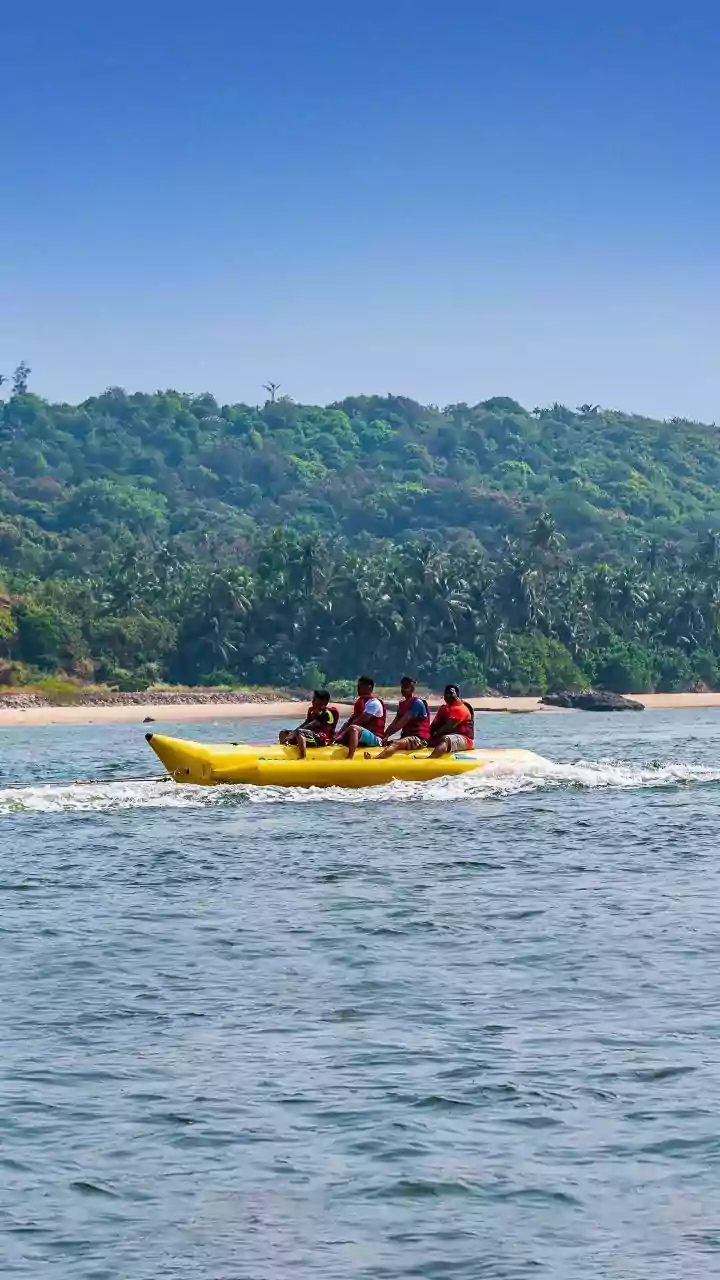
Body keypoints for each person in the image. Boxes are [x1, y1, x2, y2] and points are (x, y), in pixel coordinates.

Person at [334, 676, 387, 760]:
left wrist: (342, 736)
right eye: (358, 686)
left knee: (353, 728)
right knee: (342, 730)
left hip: (376, 738)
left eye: (360, 686)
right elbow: (349, 722)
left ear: (369, 687)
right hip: (362, 736)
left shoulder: (374, 703)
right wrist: (337, 736)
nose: (358, 688)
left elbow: (359, 721)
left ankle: (350, 757)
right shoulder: (362, 703)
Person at [376, 677, 431, 758]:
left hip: (419, 739)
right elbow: (394, 723)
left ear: (412, 688)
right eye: (402, 687)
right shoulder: (402, 704)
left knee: (395, 744)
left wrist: (387, 736)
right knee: (387, 743)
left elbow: (401, 723)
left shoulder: (417, 703)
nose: (403, 689)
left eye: (406, 687)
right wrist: (384, 736)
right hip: (407, 738)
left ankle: (374, 761)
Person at [279, 690, 339, 760]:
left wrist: (295, 733)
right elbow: (306, 723)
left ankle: (303, 757)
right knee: (283, 733)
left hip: (322, 739)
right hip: (309, 736)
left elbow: (312, 725)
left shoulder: (326, 714)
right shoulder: (311, 711)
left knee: (299, 733)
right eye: (313, 699)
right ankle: (284, 750)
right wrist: (292, 733)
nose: (312, 701)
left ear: (324, 702)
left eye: (315, 699)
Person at [426, 685, 475, 756]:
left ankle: (430, 761)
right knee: (426, 738)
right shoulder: (443, 709)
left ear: (457, 695)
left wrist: (435, 735)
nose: (448, 695)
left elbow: (449, 727)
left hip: (465, 740)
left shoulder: (461, 708)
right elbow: (433, 726)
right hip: (448, 736)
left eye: (451, 693)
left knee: (445, 739)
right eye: (446, 693)